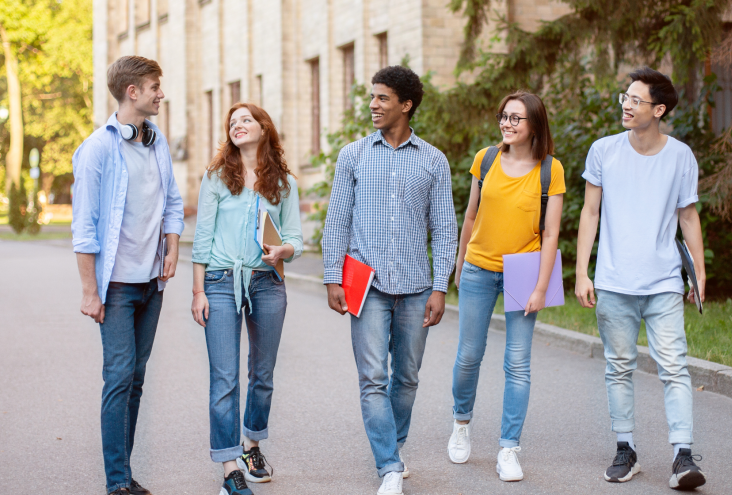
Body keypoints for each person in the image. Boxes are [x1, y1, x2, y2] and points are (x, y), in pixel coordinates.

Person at [322, 65, 458, 495]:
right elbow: (336, 221)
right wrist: (332, 277)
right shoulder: (353, 155)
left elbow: (446, 227)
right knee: (373, 378)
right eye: (372, 97)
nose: (373, 105)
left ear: (406, 104)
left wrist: (440, 286)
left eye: (382, 98)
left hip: (417, 286)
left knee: (408, 378)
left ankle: (393, 450)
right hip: (367, 284)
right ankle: (389, 467)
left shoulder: (434, 160)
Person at [574, 67, 707, 490]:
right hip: (613, 283)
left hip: (664, 283)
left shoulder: (680, 156)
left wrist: (699, 274)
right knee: (618, 368)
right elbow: (590, 212)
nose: (626, 106)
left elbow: (688, 215)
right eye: (625, 98)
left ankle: (682, 456)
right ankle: (625, 448)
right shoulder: (603, 150)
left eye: (635, 100)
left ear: (659, 109)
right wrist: (582, 272)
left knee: (674, 368)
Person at [72, 55, 184, 495]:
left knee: (136, 379)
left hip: (151, 283)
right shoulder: (98, 149)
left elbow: (172, 201)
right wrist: (89, 291)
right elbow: (84, 228)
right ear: (132, 92)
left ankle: (125, 473)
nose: (162, 93)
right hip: (115, 286)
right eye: (155, 86)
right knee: (119, 377)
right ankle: (117, 482)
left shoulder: (157, 142)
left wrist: (172, 246)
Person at [448, 91, 565, 482]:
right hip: (479, 268)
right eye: (504, 116)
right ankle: (461, 424)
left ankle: (509, 448)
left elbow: (550, 235)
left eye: (516, 118)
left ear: (535, 123)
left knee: (517, 363)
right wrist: (461, 261)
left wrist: (541, 287)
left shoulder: (551, 170)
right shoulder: (486, 159)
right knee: (469, 355)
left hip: (524, 270)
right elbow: (470, 215)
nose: (507, 124)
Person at [190, 102, 303, 495]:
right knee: (223, 378)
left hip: (267, 282)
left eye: (246, 120)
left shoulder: (283, 181)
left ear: (263, 127)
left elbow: (296, 239)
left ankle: (251, 446)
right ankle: (229, 468)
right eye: (232, 122)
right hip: (221, 281)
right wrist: (197, 290)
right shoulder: (217, 176)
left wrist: (283, 252)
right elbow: (202, 237)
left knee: (263, 374)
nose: (238, 125)